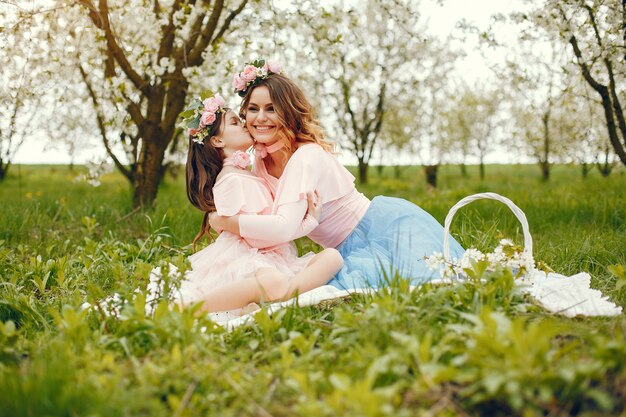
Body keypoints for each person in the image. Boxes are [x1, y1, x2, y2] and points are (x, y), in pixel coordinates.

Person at [210, 60, 465, 289]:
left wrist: (224, 221)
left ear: (288, 111)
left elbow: (282, 227)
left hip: (378, 230)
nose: (260, 118)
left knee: (433, 280)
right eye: (253, 109)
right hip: (341, 248)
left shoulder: (306, 156)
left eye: (271, 109)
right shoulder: (261, 162)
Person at [176, 92, 343, 314]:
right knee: (272, 280)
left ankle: (278, 297)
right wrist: (307, 224)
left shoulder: (250, 173)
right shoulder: (229, 180)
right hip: (247, 257)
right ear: (217, 140)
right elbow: (255, 238)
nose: (245, 124)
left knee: (332, 257)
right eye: (235, 122)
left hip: (273, 256)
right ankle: (191, 308)